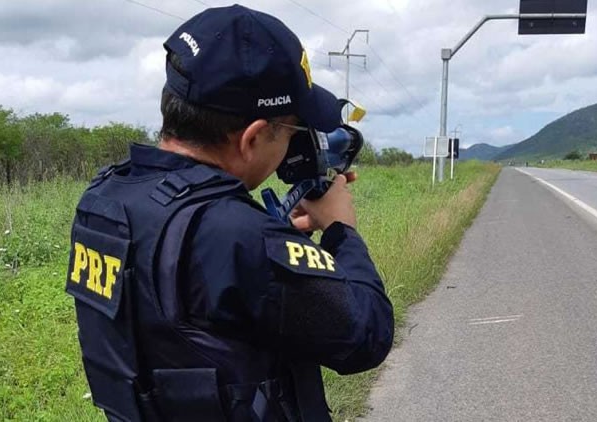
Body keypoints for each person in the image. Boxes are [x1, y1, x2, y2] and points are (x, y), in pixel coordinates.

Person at [65, 5, 394, 422]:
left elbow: (181, 314)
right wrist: (341, 230)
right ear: (253, 137)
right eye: (293, 132)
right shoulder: (235, 234)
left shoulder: (107, 198)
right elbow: (368, 335)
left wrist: (275, 243)